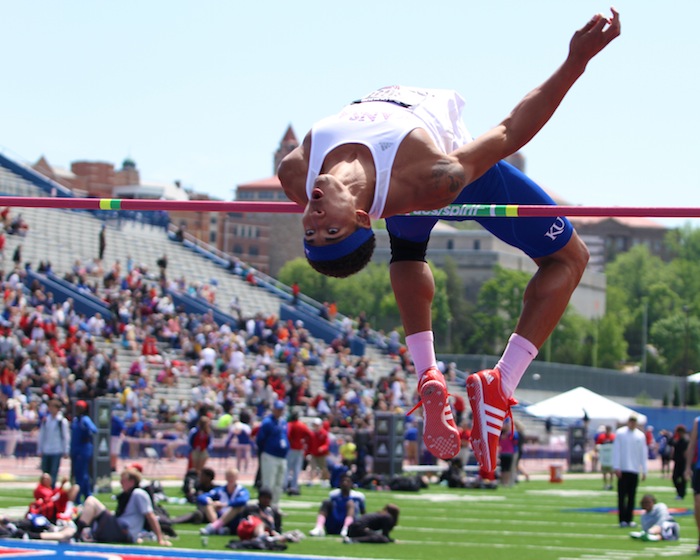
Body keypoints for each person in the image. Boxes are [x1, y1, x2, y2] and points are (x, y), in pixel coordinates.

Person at [277, 9, 621, 479]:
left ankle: (428, 374)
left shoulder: (295, 173)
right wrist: (575, 62)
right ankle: (501, 383)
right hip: (453, 178)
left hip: (398, 182)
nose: (315, 222)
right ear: (360, 218)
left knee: (407, 252)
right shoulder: (432, 179)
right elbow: (509, 132)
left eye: (311, 233)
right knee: (571, 259)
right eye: (330, 233)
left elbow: (332, 212)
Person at [35, 467, 171, 546]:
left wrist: (160, 538)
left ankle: (77, 534)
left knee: (91, 501)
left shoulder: (138, 493)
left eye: (123, 480)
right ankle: (33, 535)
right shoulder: (128, 495)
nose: (121, 483)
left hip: (124, 531)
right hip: (122, 529)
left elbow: (150, 516)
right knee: (69, 530)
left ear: (131, 481)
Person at [612, 415, 648, 528]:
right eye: (631, 421)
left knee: (632, 496)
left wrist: (644, 470)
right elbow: (616, 450)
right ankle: (622, 519)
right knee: (622, 496)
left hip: (634, 469)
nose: (632, 423)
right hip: (623, 469)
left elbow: (643, 453)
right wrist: (616, 466)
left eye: (634, 422)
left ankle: (629, 519)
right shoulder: (620, 433)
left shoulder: (640, 435)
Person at [309, 473, 366, 537]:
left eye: (347, 481)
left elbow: (363, 513)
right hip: (334, 523)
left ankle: (346, 528)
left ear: (351, 483)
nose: (345, 483)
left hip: (350, 525)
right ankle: (319, 527)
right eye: (343, 481)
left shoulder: (358, 496)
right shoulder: (333, 495)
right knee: (326, 502)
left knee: (350, 503)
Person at [255, 400, 289, 507]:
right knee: (269, 482)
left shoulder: (283, 422)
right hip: (270, 455)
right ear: (273, 409)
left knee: (279, 483)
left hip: (282, 456)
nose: (279, 412)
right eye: (278, 409)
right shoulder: (267, 422)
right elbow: (260, 439)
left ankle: (275, 506)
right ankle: (265, 507)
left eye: (281, 410)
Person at [198, 467, 251, 536]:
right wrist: (210, 502)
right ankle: (218, 527)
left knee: (238, 507)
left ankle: (214, 527)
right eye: (228, 476)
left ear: (236, 477)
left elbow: (243, 500)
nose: (230, 479)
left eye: (232, 476)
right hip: (221, 515)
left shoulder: (241, 490)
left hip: (235, 519)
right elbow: (202, 497)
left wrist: (225, 504)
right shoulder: (221, 490)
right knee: (208, 505)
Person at [37, 399, 70, 486]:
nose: (51, 409)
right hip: (46, 450)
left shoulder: (61, 421)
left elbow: (65, 437)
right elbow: (42, 436)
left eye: (52, 407)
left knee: (53, 472)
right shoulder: (46, 420)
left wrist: (66, 450)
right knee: (45, 473)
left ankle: (51, 490)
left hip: (56, 450)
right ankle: (44, 490)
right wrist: (40, 449)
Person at [70, 400, 97, 504]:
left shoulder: (85, 419)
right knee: (80, 474)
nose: (78, 410)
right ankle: (87, 494)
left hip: (83, 449)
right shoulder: (75, 420)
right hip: (76, 449)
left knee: (81, 474)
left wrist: (86, 433)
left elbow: (94, 430)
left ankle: (79, 496)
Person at [286, 410, 313, 495]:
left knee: (287, 468)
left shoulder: (290, 425)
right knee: (296, 469)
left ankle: (285, 486)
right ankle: (294, 486)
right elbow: (310, 435)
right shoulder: (302, 425)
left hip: (291, 449)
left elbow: (287, 435)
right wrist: (305, 445)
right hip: (299, 449)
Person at [685, 415, 700, 554]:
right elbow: (692, 444)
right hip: (699, 468)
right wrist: (688, 467)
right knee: (698, 504)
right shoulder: (698, 421)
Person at [671, 424, 688, 500]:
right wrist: (674, 435)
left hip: (684, 462)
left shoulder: (686, 441)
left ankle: (681, 494)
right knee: (674, 478)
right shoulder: (677, 440)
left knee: (683, 479)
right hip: (677, 462)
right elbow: (670, 442)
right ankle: (680, 492)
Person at [596, 425, 615, 490]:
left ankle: (610, 484)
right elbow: (597, 445)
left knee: (611, 472)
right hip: (604, 457)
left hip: (611, 457)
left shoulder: (613, 437)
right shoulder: (601, 437)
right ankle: (605, 484)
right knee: (604, 472)